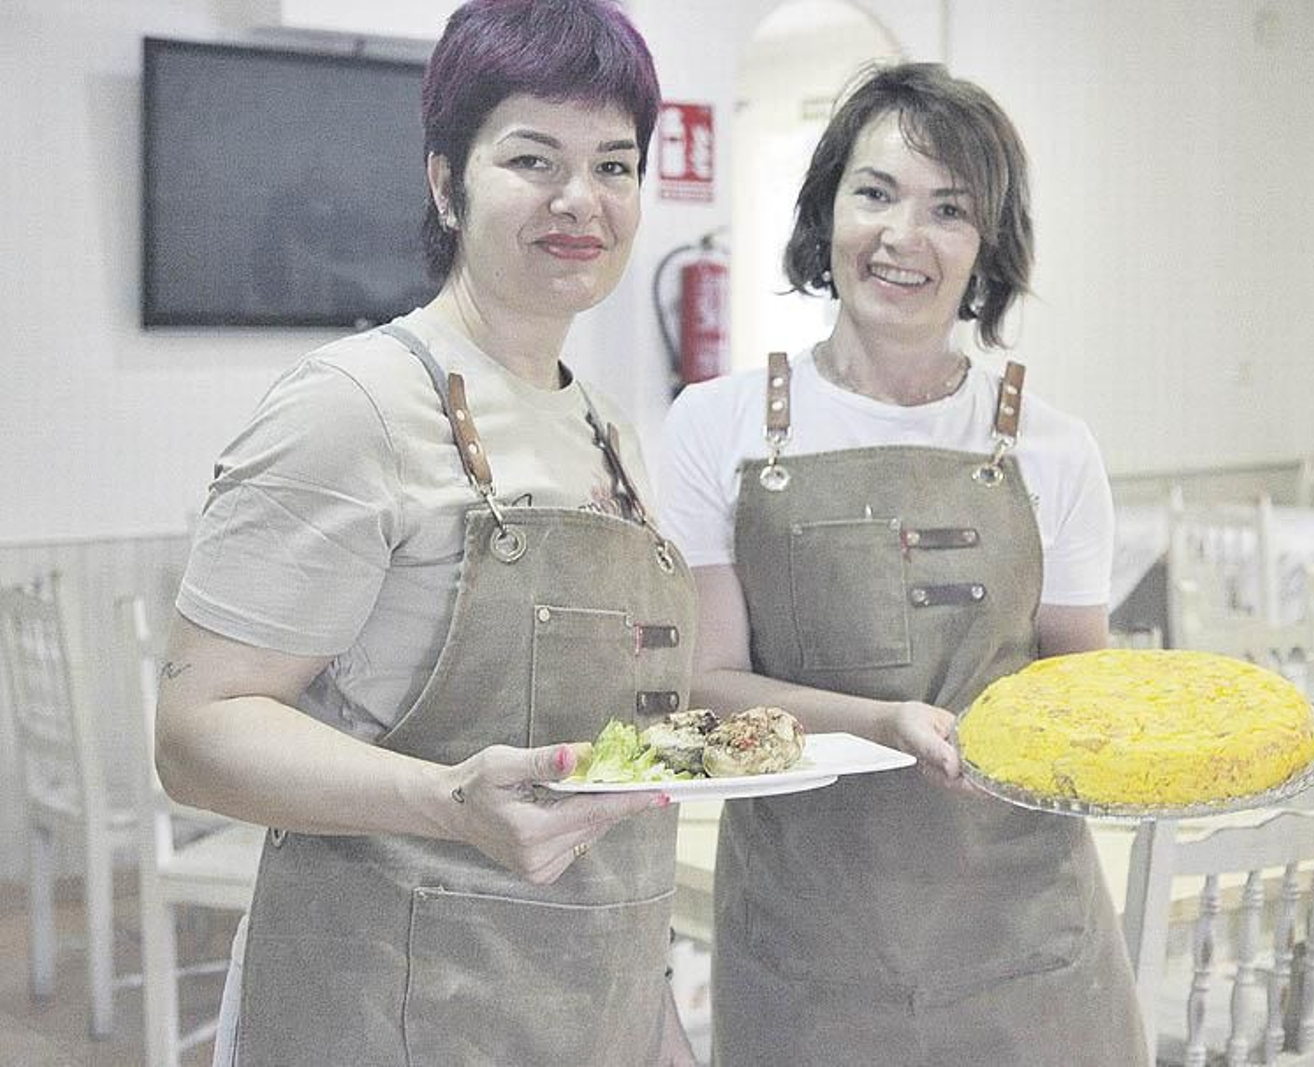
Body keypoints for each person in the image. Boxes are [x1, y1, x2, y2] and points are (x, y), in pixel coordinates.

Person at [155, 2, 699, 1063]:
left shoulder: (610, 428)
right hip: (384, 1011)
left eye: (615, 165)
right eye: (532, 159)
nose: (578, 200)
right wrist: (443, 799)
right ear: (446, 181)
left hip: (592, 1008)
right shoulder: (351, 403)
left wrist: (655, 1019)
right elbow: (196, 730)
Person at [661, 62, 1147, 1065]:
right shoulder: (717, 425)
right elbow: (703, 684)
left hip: (1031, 954)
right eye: (874, 192)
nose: (901, 236)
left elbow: (1076, 689)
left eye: (949, 209)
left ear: (989, 246)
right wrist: (881, 724)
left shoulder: (1053, 449)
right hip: (805, 950)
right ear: (825, 207)